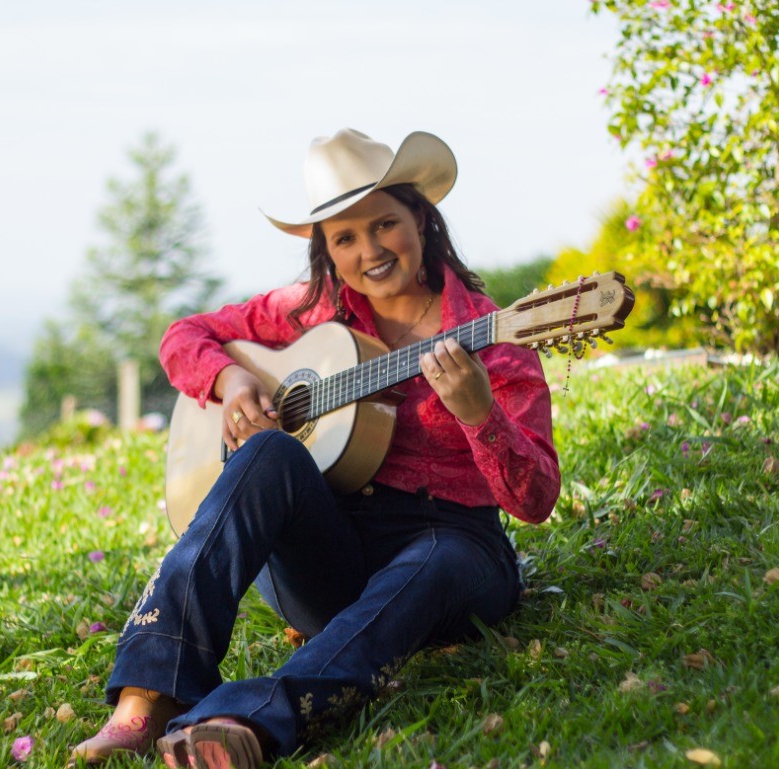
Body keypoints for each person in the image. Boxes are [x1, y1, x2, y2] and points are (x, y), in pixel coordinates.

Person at [71, 128, 560, 768]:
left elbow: (535, 499)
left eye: (385, 224)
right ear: (326, 249)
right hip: (334, 557)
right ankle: (149, 696)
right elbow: (184, 335)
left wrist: (480, 414)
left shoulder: (493, 337)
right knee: (269, 452)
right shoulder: (314, 312)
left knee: (436, 558)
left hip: (454, 551)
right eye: (345, 238)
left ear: (420, 218)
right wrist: (231, 379)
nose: (370, 251)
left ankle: (243, 723)